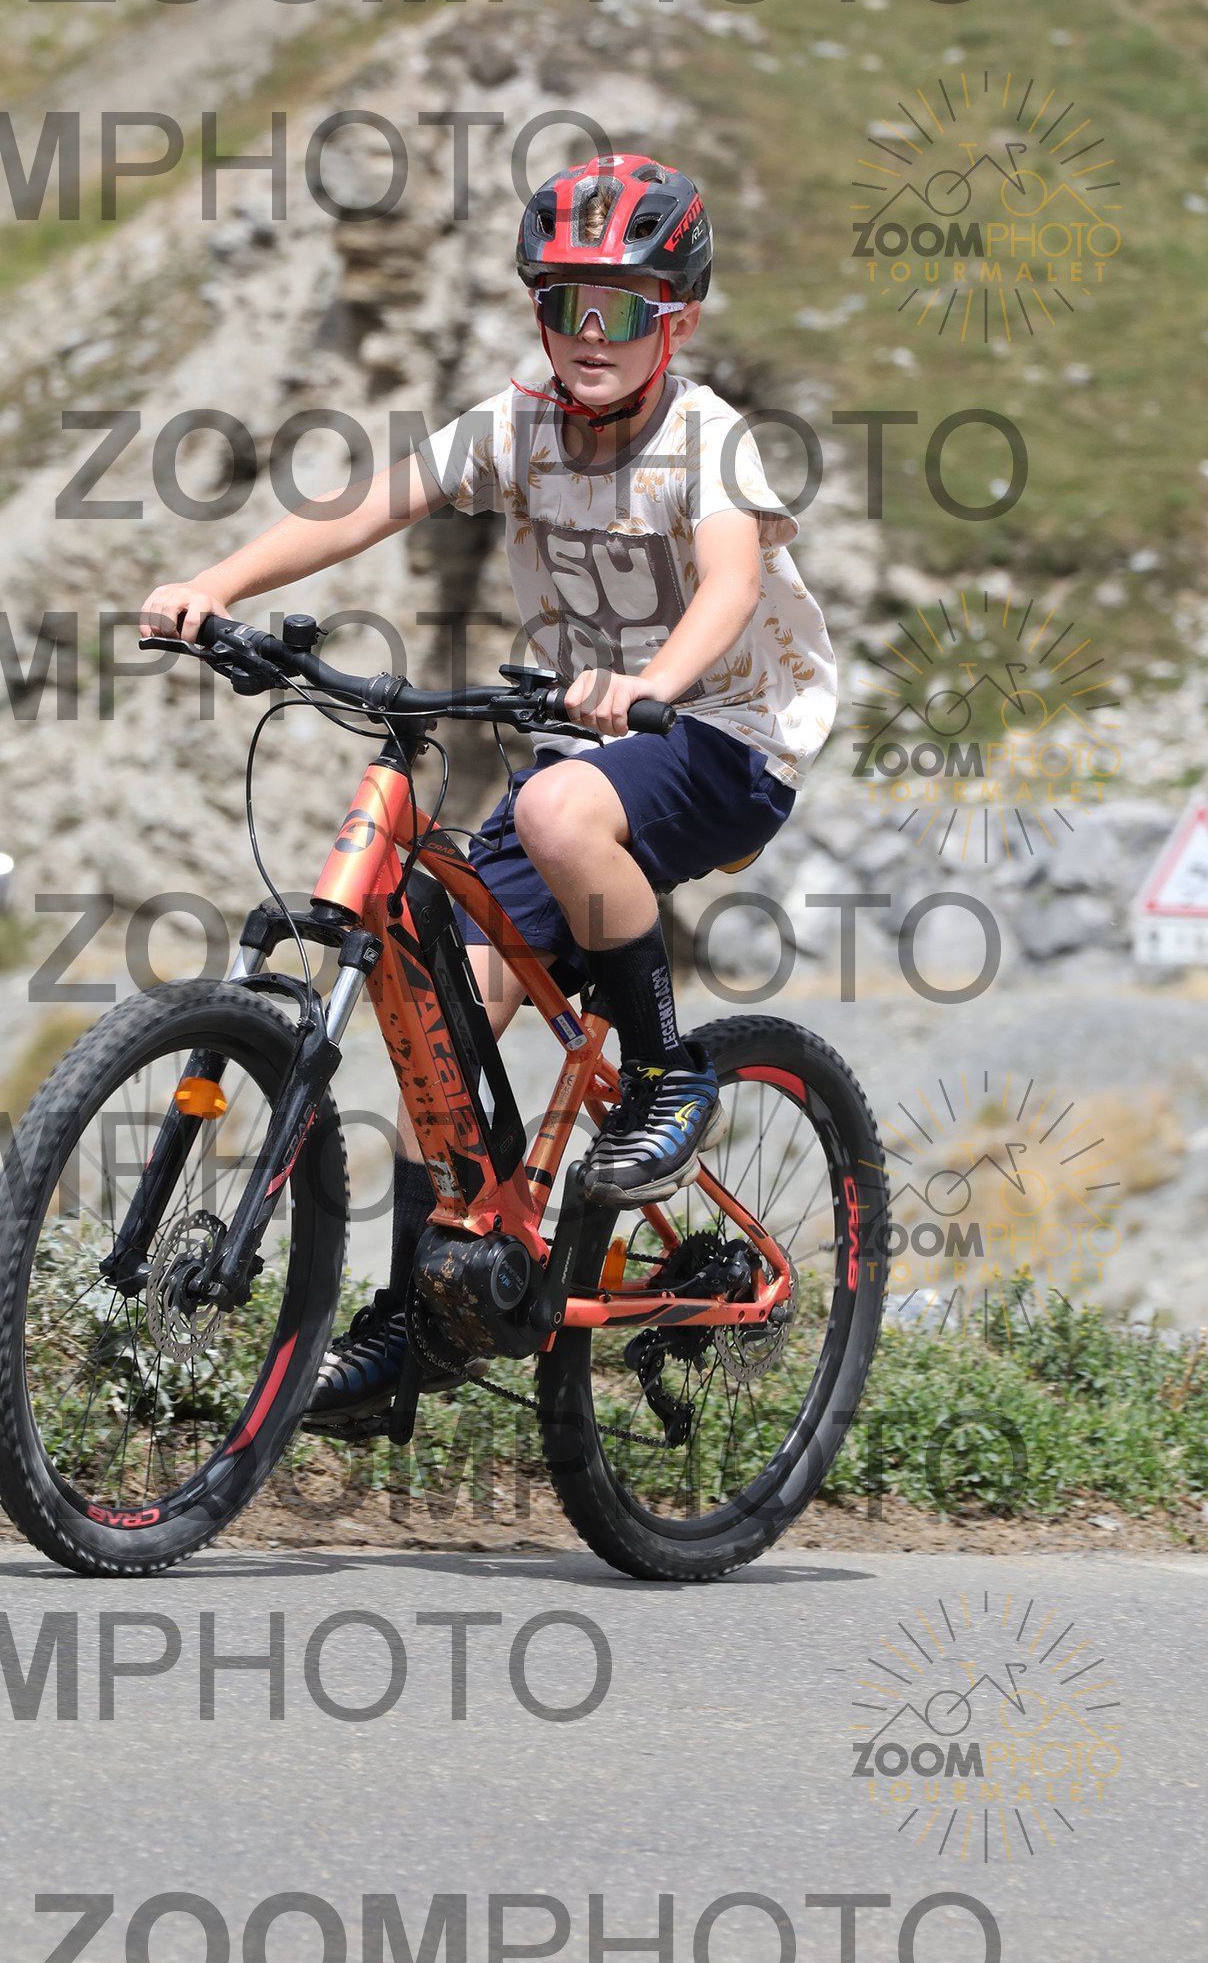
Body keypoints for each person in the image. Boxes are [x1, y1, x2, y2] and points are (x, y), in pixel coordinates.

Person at [140, 154, 836, 1425]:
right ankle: (421, 1324)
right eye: (564, 304)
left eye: (620, 308)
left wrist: (651, 683)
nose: (588, 333)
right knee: (441, 1030)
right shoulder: (515, 424)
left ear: (675, 322)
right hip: (584, 742)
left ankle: (666, 1076)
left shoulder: (706, 437)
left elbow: (733, 583)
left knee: (558, 812)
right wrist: (217, 587)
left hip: (725, 732)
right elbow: (367, 507)